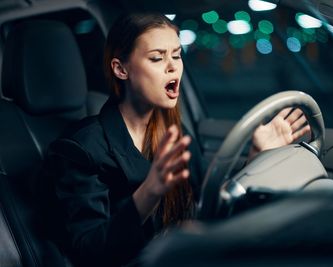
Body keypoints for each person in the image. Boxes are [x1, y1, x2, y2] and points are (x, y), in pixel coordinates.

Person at [40, 13, 310, 267]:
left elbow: (208, 204)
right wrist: (150, 191)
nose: (173, 68)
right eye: (157, 58)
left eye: (177, 56)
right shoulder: (80, 149)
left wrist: (256, 156)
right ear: (121, 69)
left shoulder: (174, 131)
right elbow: (90, 252)